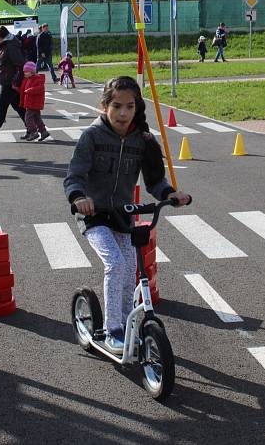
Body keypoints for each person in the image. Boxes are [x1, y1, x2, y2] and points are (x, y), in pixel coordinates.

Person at [64, 76, 191, 354]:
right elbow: (75, 176)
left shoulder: (142, 141)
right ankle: (114, 330)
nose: (123, 113)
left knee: (130, 268)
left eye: (130, 107)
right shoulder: (92, 136)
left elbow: (155, 181)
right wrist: (79, 198)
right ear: (104, 105)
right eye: (117, 106)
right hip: (94, 215)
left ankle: (124, 323)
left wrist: (170, 194)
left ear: (137, 108)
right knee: (115, 264)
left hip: (123, 215)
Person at [0, 25, 26, 143]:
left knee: (2, 108)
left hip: (10, 82)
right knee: (18, 106)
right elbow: (3, 62)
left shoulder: (10, 46)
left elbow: (20, 64)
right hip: (8, 80)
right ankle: (33, 128)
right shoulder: (6, 44)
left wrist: (15, 81)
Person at [20, 61, 49, 141]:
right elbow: (23, 88)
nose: (24, 73)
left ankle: (33, 132)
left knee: (28, 118)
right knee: (37, 119)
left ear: (32, 72)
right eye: (24, 71)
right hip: (31, 103)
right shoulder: (28, 79)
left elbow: (40, 88)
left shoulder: (37, 79)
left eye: (26, 71)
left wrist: (30, 90)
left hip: (33, 103)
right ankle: (43, 131)